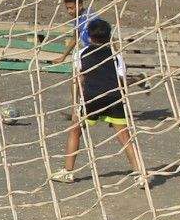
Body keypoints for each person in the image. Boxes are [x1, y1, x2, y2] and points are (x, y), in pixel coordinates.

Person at [53, 17, 146, 184]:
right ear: (109, 37)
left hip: (92, 98)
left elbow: (77, 80)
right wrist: (122, 101)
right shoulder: (116, 56)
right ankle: (140, 174)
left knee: (75, 130)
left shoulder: (80, 54)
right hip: (113, 97)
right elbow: (122, 80)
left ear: (89, 36)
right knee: (125, 136)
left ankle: (68, 172)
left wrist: (75, 105)